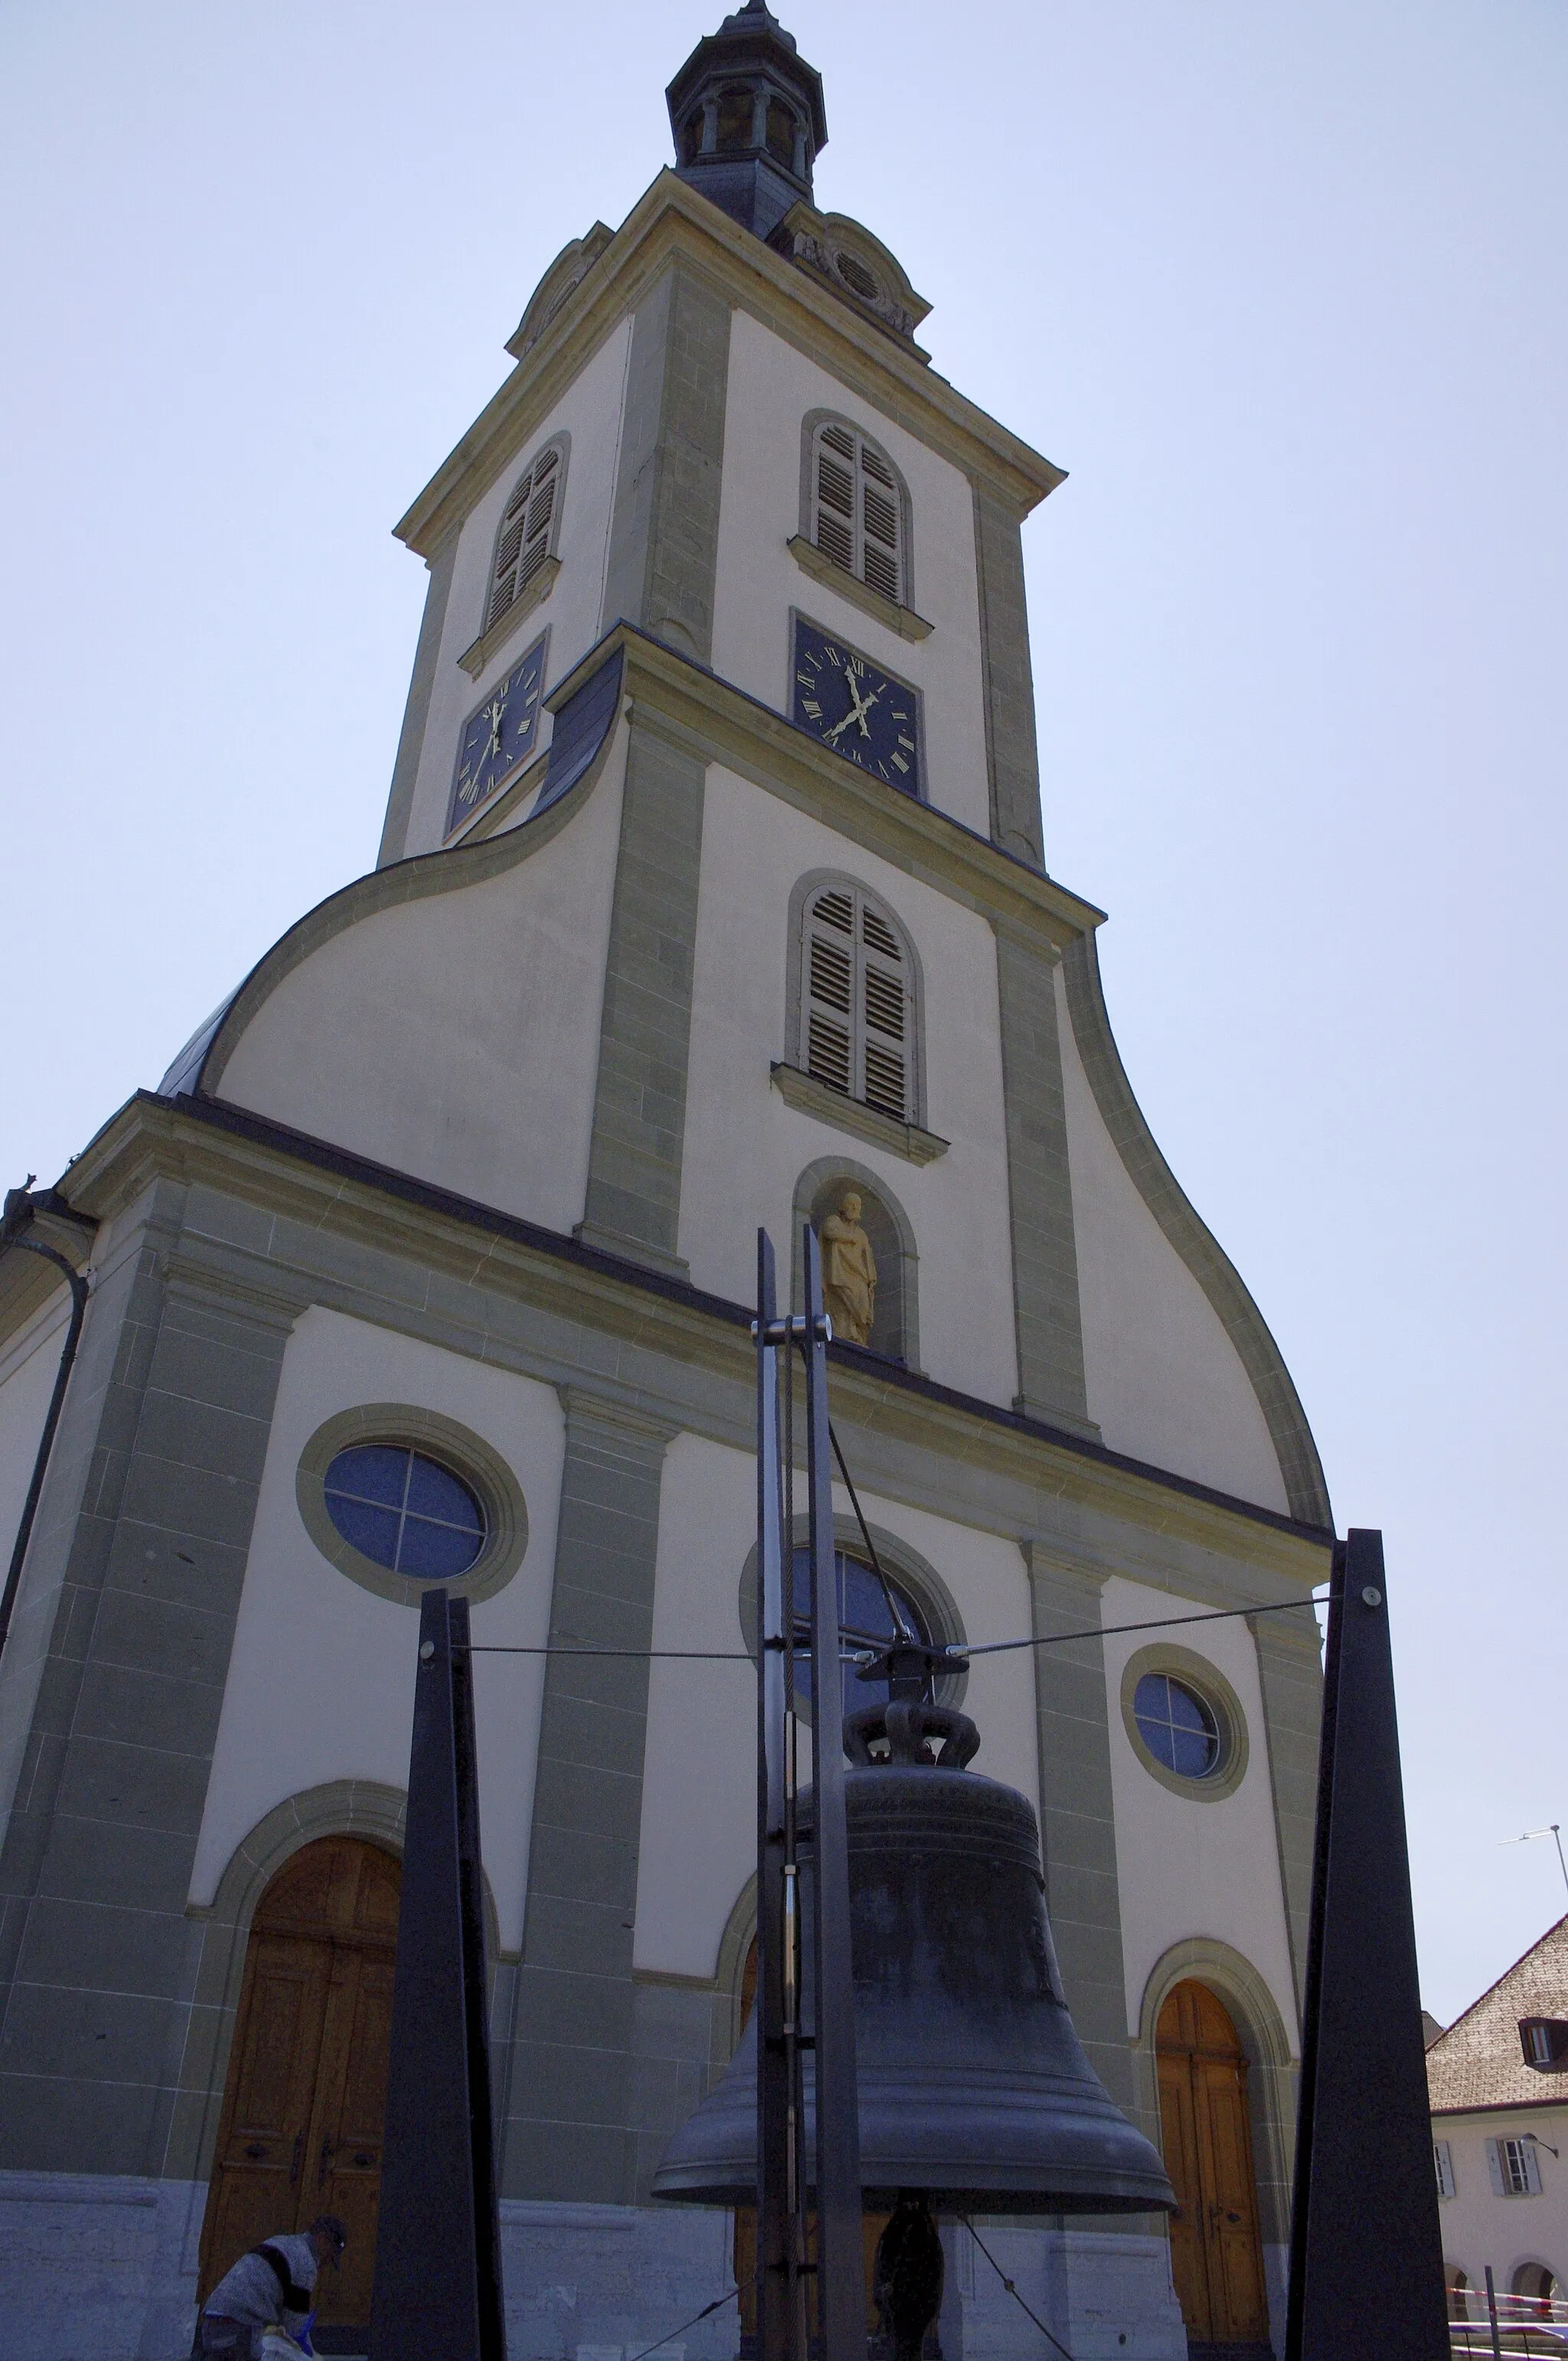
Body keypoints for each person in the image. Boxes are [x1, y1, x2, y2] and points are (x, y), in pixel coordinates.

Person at [198, 2216, 346, 2358]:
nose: (326, 2263)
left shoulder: (281, 2241)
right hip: (240, 2329)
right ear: (322, 2238)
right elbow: (294, 2329)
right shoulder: (306, 2264)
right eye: (330, 2254)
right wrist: (310, 2355)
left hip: (210, 2322)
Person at [819, 1190, 877, 1345]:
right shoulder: (834, 1221)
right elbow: (830, 1232)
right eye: (851, 1204)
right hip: (839, 1276)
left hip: (859, 1278)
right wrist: (849, 1238)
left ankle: (858, 1337)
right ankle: (842, 1336)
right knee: (841, 1308)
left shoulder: (861, 1234)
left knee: (863, 1310)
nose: (854, 1208)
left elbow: (868, 1259)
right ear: (843, 1206)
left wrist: (871, 1279)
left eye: (857, 1205)